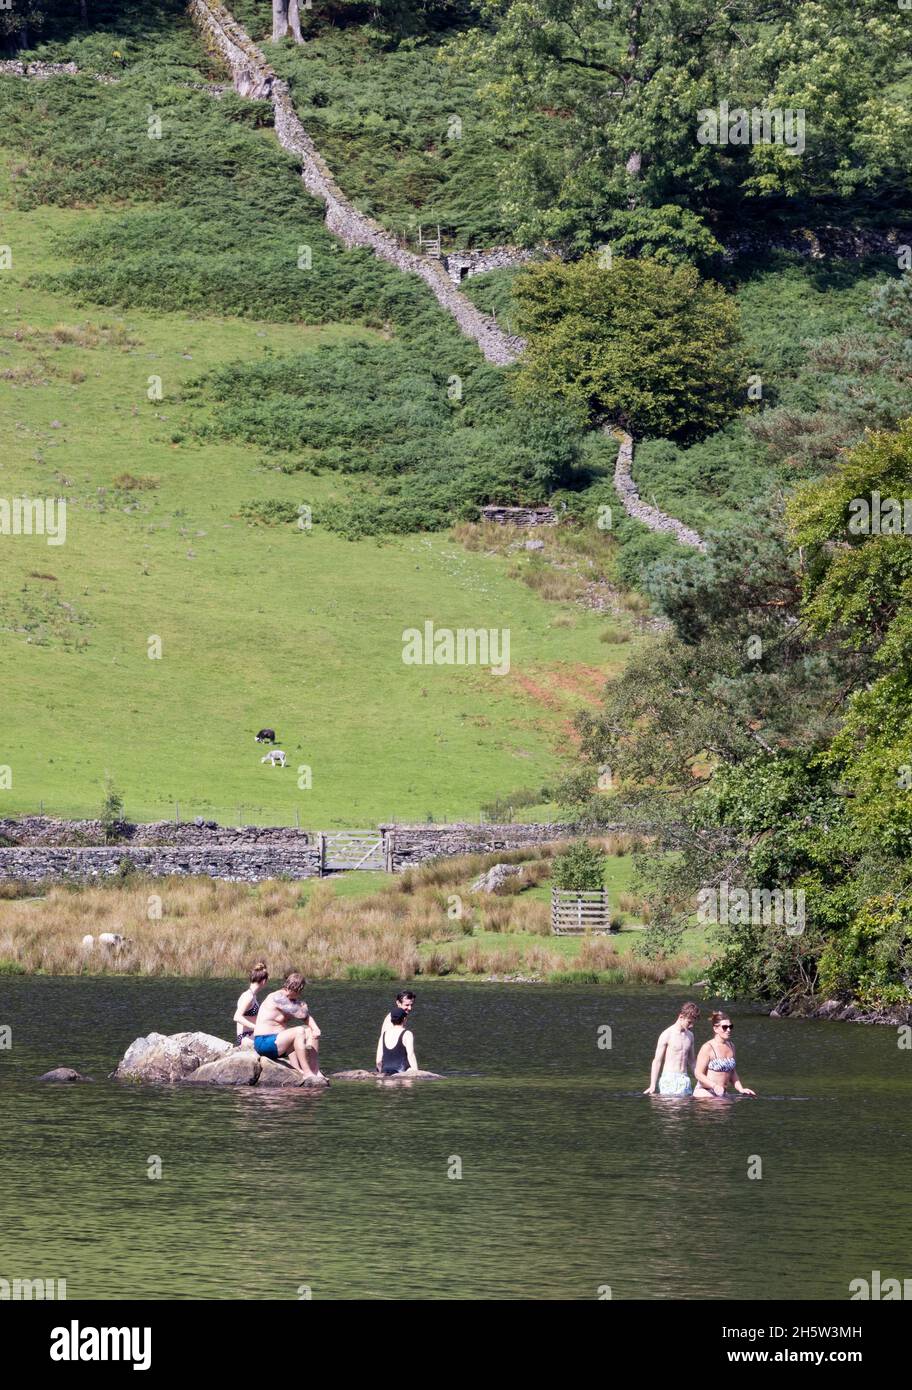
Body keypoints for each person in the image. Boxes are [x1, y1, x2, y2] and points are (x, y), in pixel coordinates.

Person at [253, 971, 323, 1079]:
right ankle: (307, 1072)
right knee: (299, 1031)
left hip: (278, 1045)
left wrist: (315, 1028)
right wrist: (303, 1007)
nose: (299, 995)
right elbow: (302, 1013)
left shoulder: (292, 999)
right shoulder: (277, 997)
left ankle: (315, 1070)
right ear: (291, 987)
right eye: (299, 991)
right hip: (264, 1042)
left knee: (310, 1031)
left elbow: (305, 1017)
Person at [693, 1012, 756, 1097]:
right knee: (719, 1104)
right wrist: (714, 1086)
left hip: (722, 1093)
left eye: (730, 1027)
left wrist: (741, 1089)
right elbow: (698, 1073)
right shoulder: (707, 1047)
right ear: (715, 1029)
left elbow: (732, 1072)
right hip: (706, 1092)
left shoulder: (731, 1046)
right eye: (725, 1027)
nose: (728, 1030)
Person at [644, 1002, 700, 1096]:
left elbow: (692, 1061)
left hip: (685, 1079)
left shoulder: (690, 1036)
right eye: (689, 1022)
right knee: (671, 1109)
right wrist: (652, 1084)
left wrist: (701, 1079)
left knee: (685, 1110)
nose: (691, 1026)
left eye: (693, 1023)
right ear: (681, 1017)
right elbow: (657, 1061)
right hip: (669, 1078)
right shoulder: (667, 1034)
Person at [375, 990, 415, 1070]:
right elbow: (384, 1045)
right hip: (391, 1064)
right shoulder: (391, 1020)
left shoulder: (401, 1017)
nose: (410, 1008)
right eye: (406, 1005)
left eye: (411, 1005)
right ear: (398, 1003)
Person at [233, 961, 268, 1048]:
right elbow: (237, 1017)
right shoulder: (248, 996)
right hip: (245, 1037)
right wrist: (256, 1027)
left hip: (251, 1034)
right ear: (263, 981)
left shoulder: (252, 995)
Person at [377, 1006, 419, 1076]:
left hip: (385, 1071)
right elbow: (411, 1055)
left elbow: (378, 1061)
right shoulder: (407, 1034)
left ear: (391, 1020)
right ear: (404, 1019)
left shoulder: (383, 1034)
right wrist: (417, 1073)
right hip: (401, 1072)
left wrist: (380, 1072)